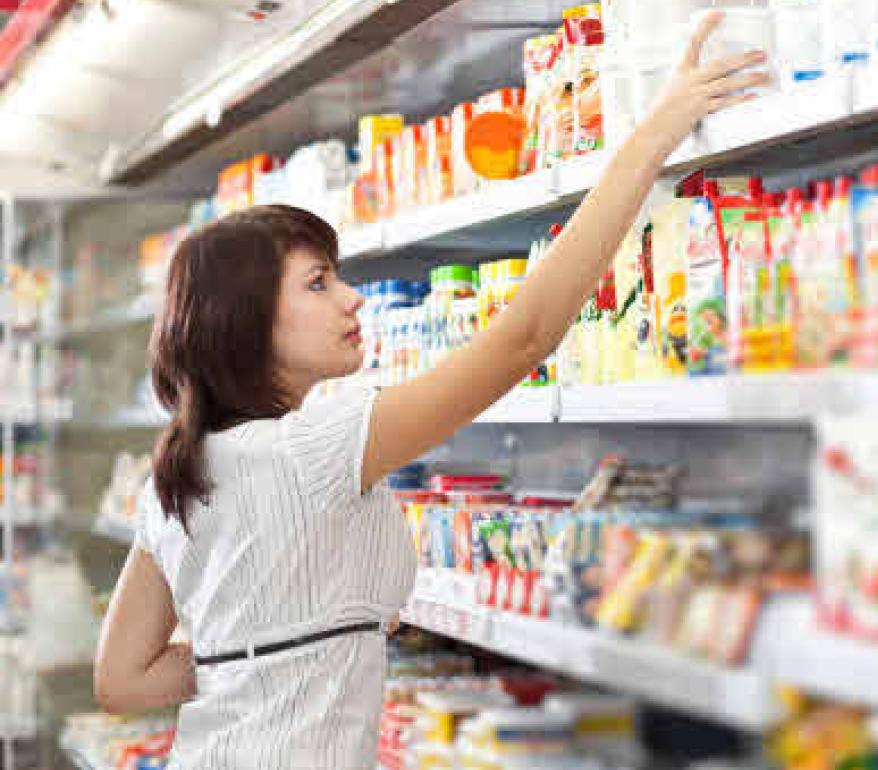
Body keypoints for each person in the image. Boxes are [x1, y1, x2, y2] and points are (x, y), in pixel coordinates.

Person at [93, 14, 768, 770]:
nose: (352, 300)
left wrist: (263, 651)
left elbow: (123, 679)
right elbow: (525, 335)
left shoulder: (175, 472)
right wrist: (652, 134)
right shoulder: (319, 443)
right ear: (247, 326)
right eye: (319, 283)